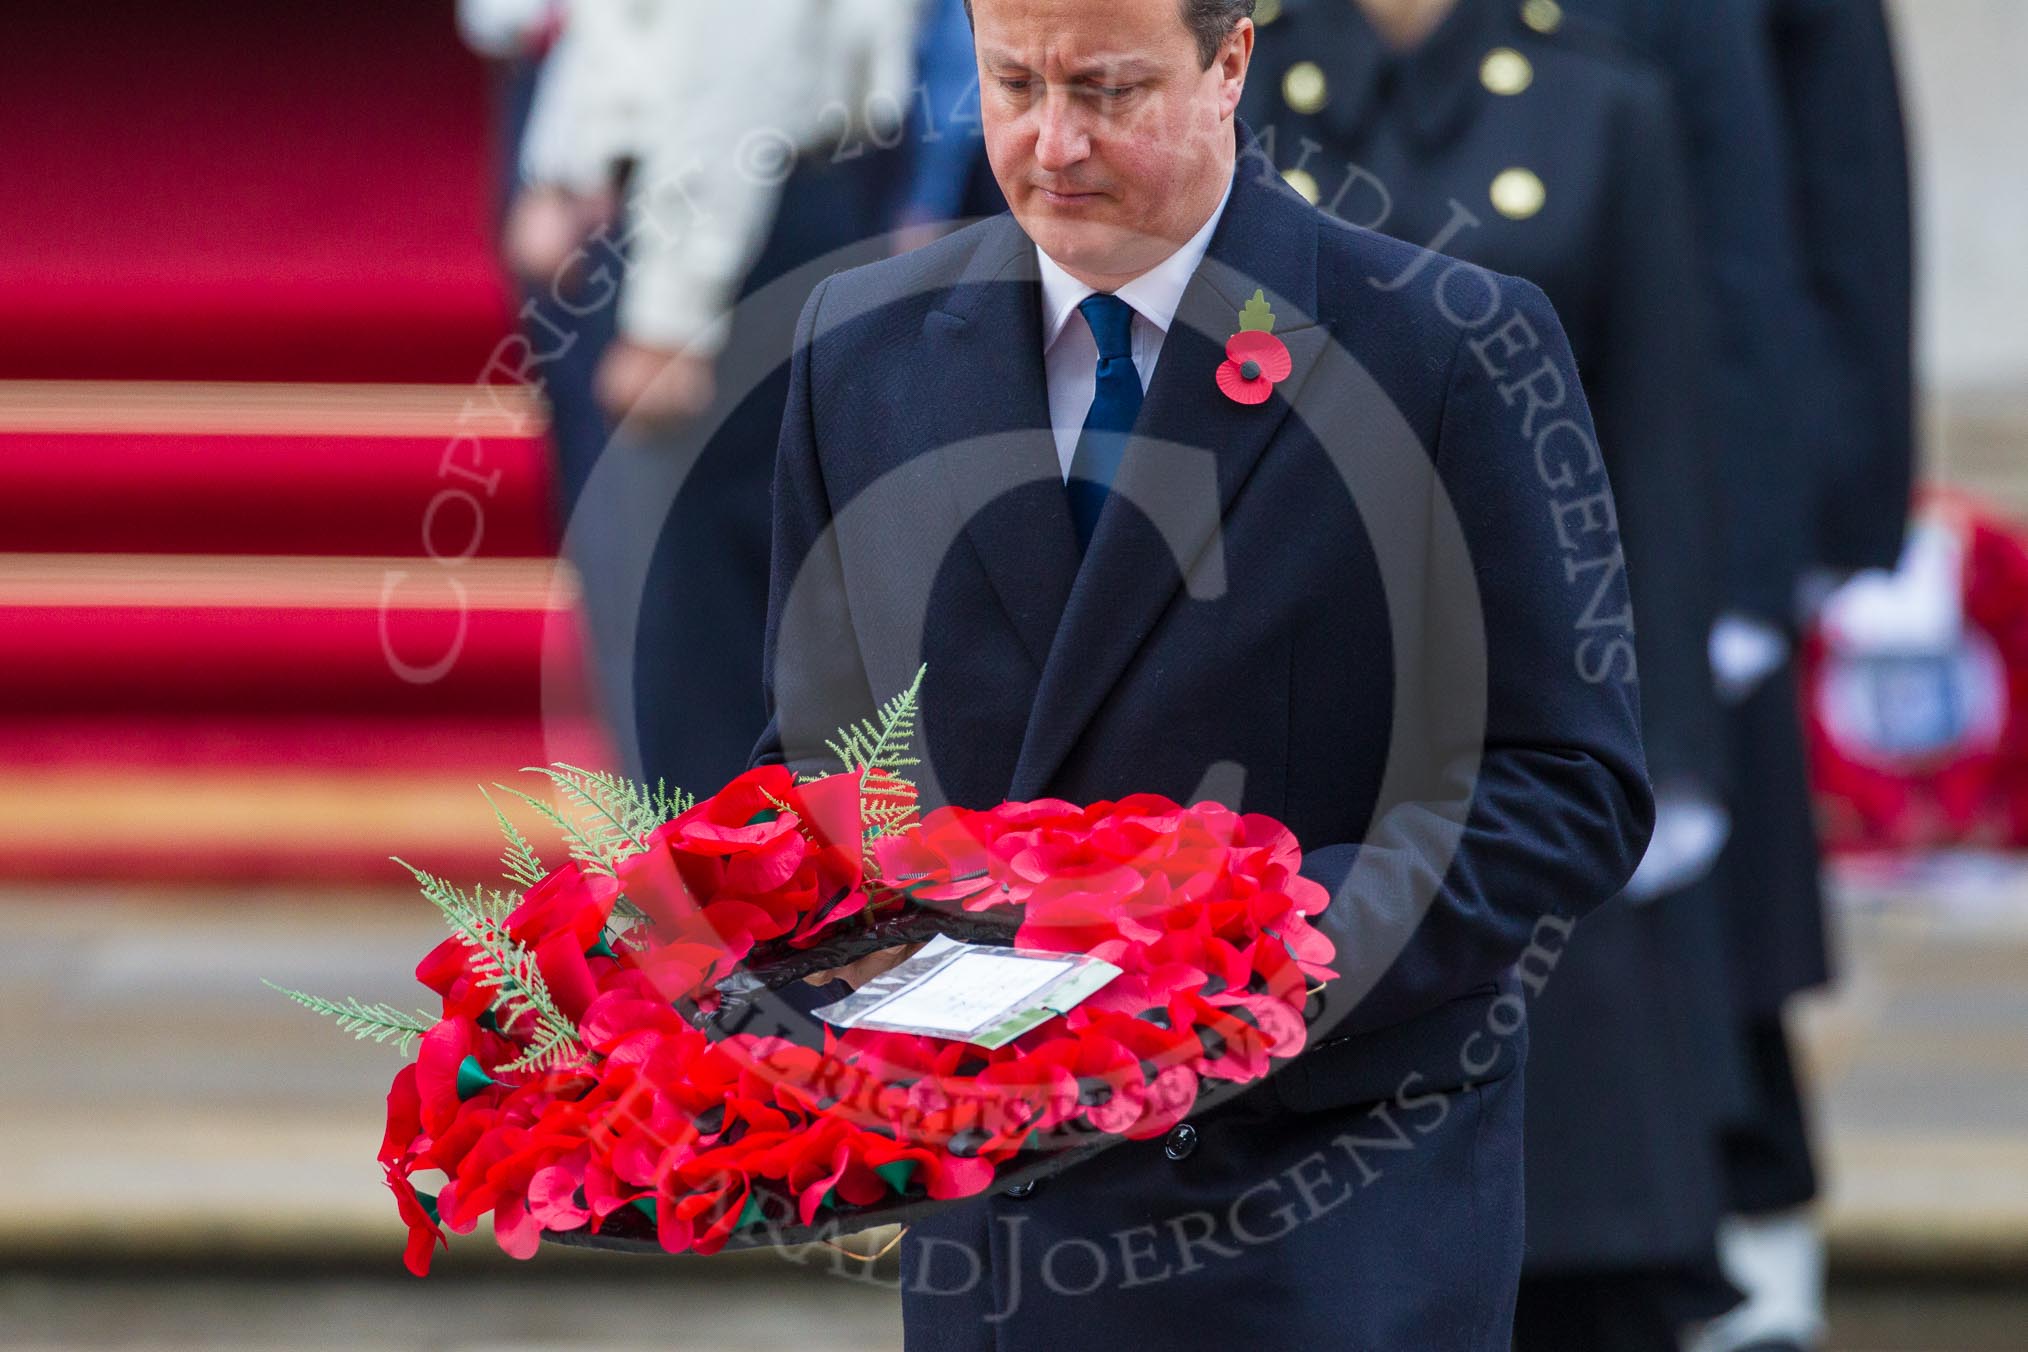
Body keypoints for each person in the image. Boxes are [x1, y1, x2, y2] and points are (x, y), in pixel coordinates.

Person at [752, 0, 1654, 1346]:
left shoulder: (1446, 346)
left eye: (1109, 89)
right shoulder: (861, 347)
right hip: (1007, 1237)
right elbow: (819, 768)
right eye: (1012, 84)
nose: (1053, 141)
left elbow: (1565, 786)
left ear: (1232, 60)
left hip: (1326, 1221)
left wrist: (1233, 951)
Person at [1240, 3, 1738, 1347]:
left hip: (1533, 711)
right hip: (1300, 721)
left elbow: (1662, 440)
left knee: (1574, 1224)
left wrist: (1669, 741)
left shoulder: (1599, 104)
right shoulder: (1231, 92)